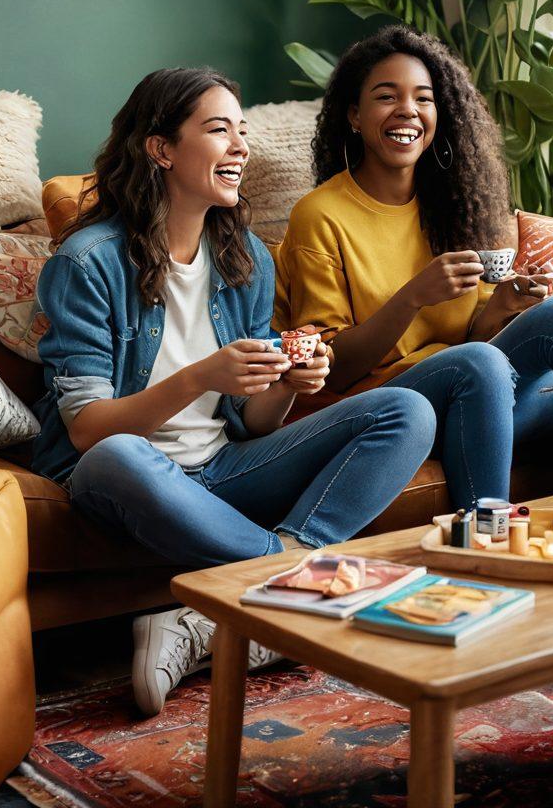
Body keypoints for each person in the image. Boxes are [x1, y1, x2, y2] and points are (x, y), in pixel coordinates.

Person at [31, 66, 436, 716]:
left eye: (241, 132)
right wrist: (202, 375)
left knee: (406, 409)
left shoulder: (246, 256)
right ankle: (308, 580)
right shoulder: (87, 262)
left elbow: (251, 425)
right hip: (127, 473)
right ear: (161, 148)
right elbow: (86, 429)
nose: (241, 147)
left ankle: (227, 615)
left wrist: (287, 386)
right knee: (117, 455)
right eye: (219, 130)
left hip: (223, 469)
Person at [275, 25, 553, 508]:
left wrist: (501, 309)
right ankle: (485, 526)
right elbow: (333, 371)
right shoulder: (320, 215)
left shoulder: (451, 204)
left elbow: (471, 336)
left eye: (423, 98)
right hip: (387, 408)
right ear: (354, 115)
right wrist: (412, 297)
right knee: (504, 371)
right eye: (386, 96)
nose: (407, 110)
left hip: (472, 392)